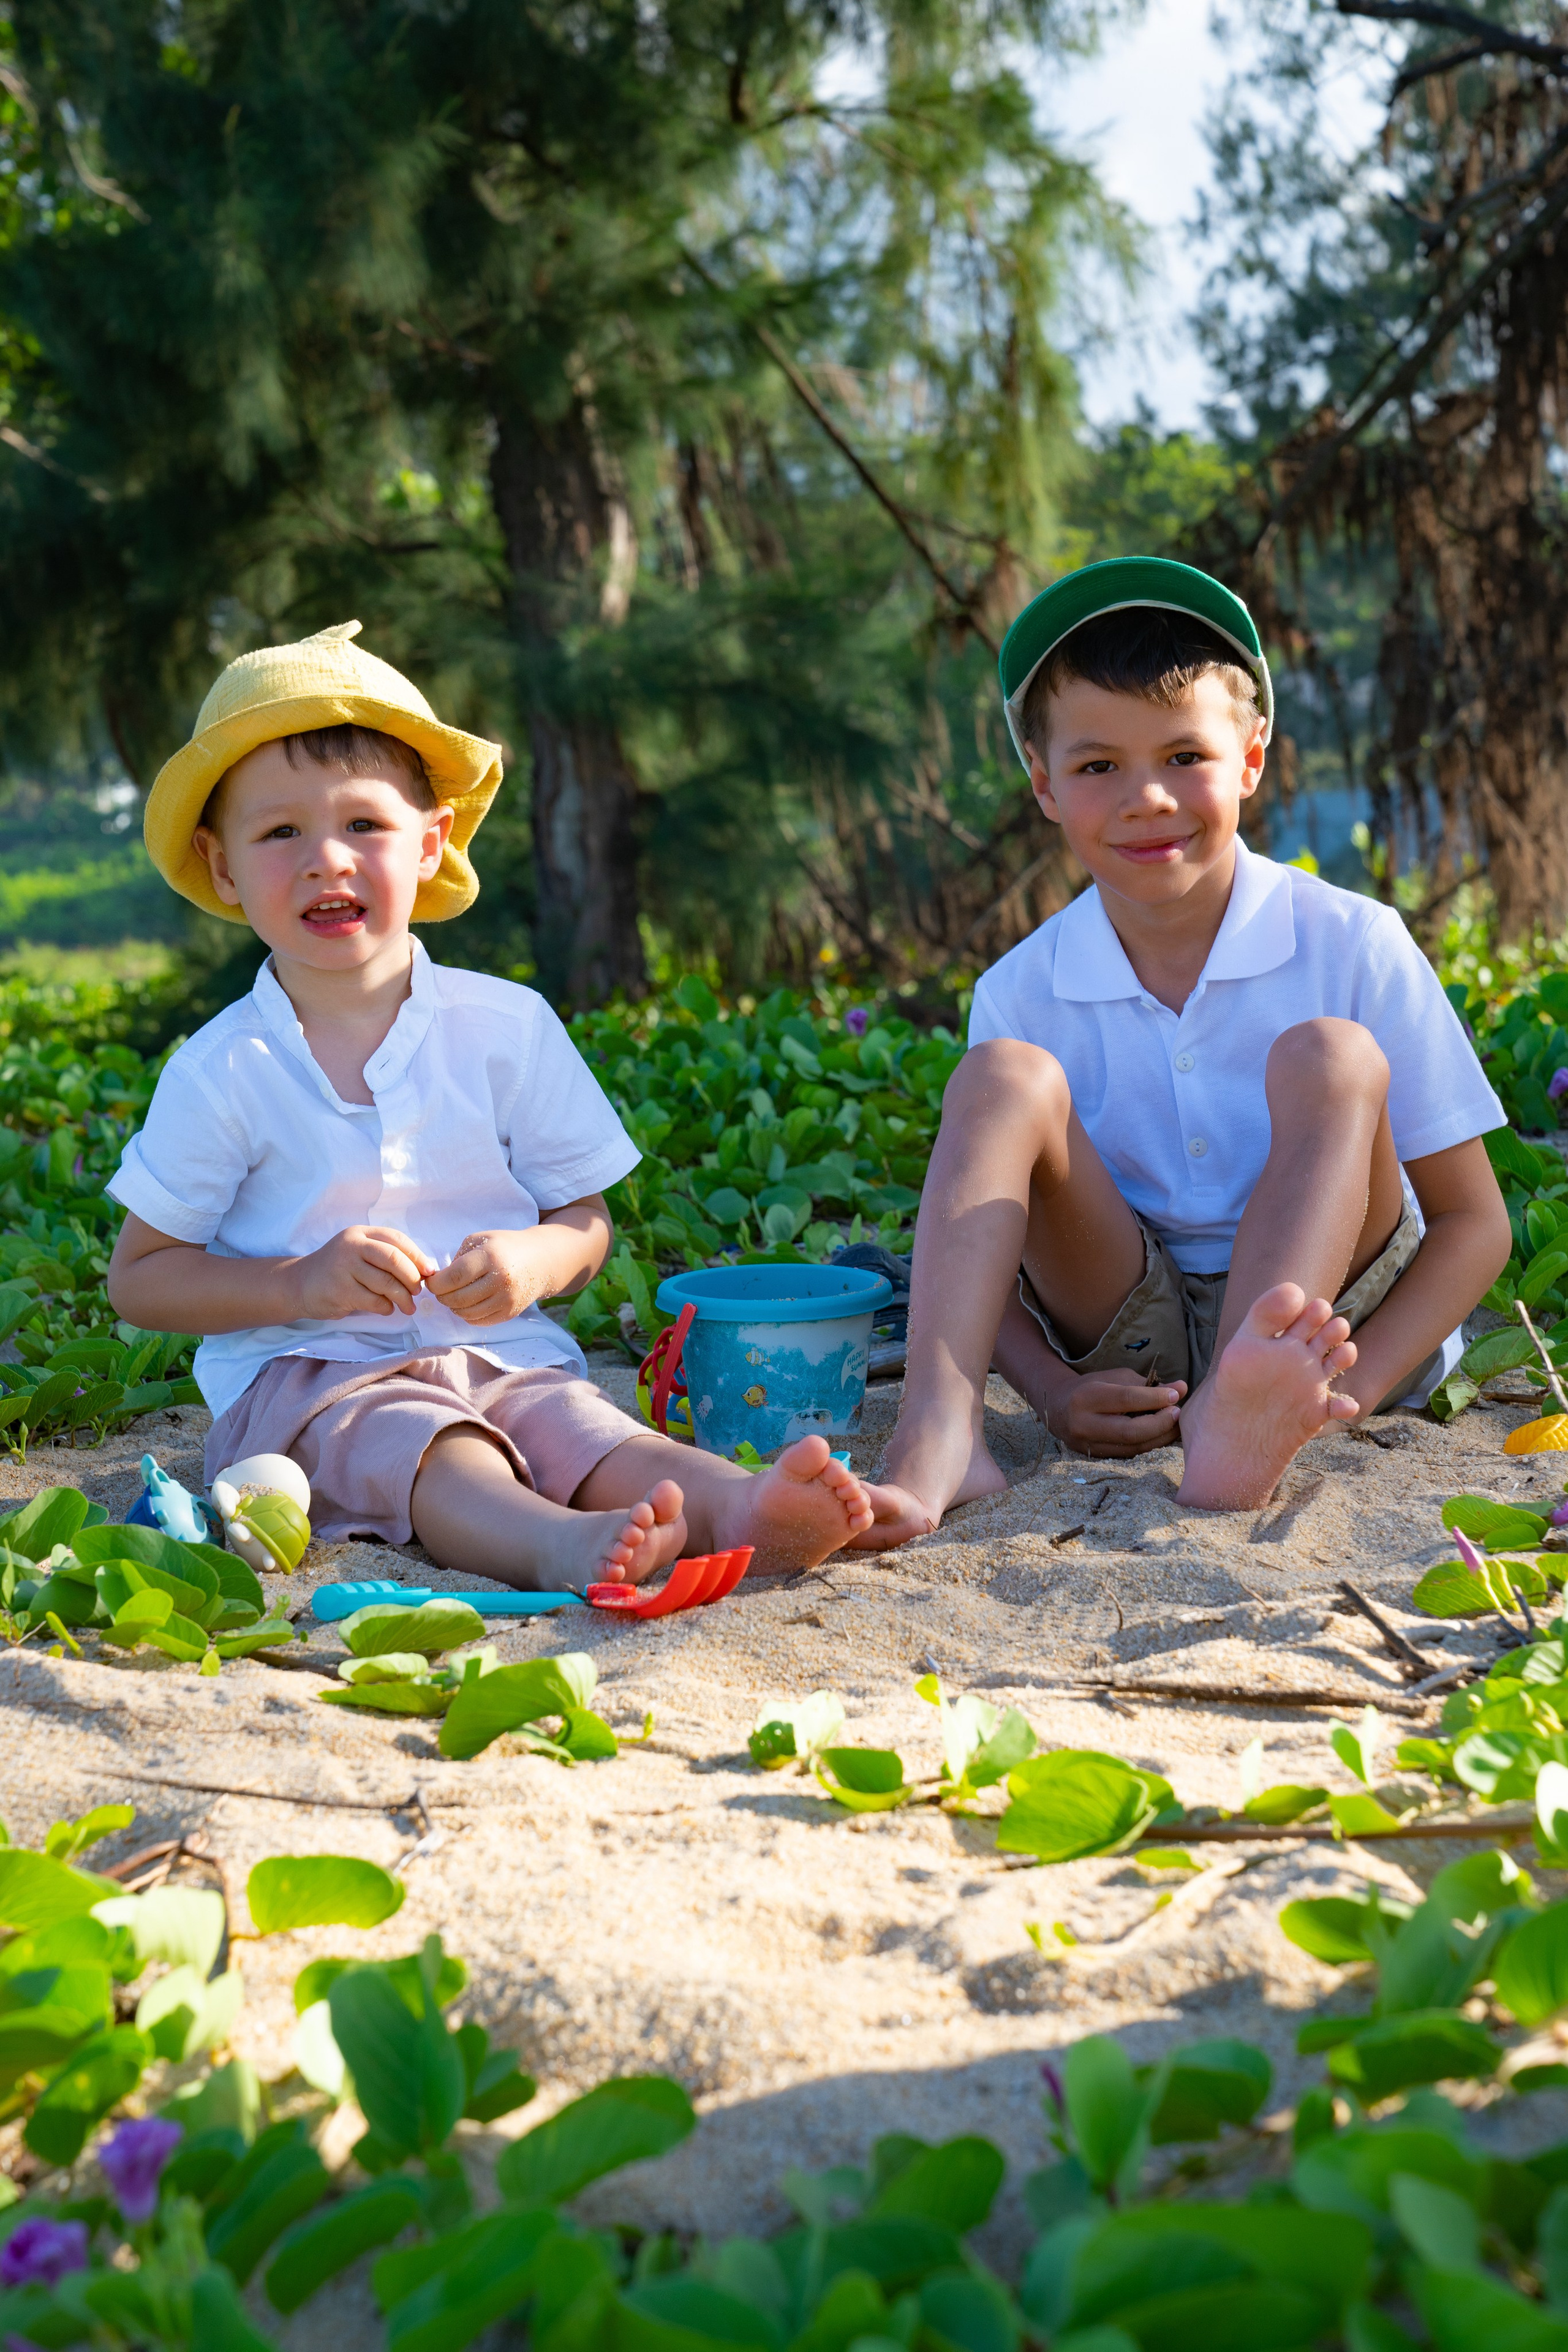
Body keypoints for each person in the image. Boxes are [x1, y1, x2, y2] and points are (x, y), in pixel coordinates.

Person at [106, 621, 872, 1586]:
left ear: (430, 844)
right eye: (280, 832)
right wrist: (295, 1286)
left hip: (501, 1350)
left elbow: (586, 1225)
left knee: (585, 1431)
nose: (326, 860)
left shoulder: (507, 1026)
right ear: (222, 867)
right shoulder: (223, 1068)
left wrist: (533, 1260)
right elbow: (140, 1277)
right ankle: (555, 1545)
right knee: (430, 1449)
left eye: (364, 825)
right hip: (316, 1381)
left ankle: (743, 1504)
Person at [859, 557, 1512, 1537]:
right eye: (1096, 767)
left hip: (1324, 1319)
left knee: (1331, 1057)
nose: (1147, 799)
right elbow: (980, 1239)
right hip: (1125, 1330)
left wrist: (1349, 1393)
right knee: (1000, 1081)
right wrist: (1047, 1395)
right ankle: (940, 1430)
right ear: (1043, 784)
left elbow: (1474, 1224)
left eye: (1183, 757)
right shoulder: (1021, 989)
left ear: (1251, 757)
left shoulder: (1353, 939)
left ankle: (1244, 1416)